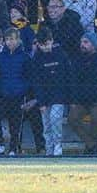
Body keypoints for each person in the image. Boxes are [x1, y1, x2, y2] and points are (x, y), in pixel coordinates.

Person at [0, 27, 32, 157]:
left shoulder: (25, 57)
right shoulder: (0, 57)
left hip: (18, 96)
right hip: (3, 95)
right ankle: (0, 144)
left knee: (15, 123)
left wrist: (25, 92)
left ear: (18, 40)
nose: (10, 42)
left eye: (13, 39)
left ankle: (13, 147)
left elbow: (29, 77)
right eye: (7, 39)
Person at [29, 27, 70, 157]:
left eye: (47, 44)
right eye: (41, 45)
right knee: (46, 124)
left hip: (59, 95)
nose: (45, 48)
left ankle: (58, 144)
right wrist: (41, 102)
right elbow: (36, 81)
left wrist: (66, 96)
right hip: (44, 96)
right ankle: (49, 148)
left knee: (55, 118)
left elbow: (67, 76)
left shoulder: (61, 54)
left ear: (52, 41)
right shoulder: (37, 57)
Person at [68, 32, 97, 155]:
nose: (82, 45)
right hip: (81, 100)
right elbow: (73, 80)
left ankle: (90, 148)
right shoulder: (77, 59)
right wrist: (73, 101)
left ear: (94, 44)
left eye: (86, 42)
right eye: (81, 42)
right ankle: (93, 145)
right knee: (72, 119)